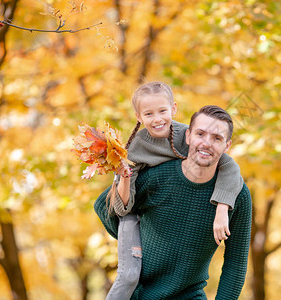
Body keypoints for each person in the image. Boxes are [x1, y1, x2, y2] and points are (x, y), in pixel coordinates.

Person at [103, 82, 244, 300]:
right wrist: (144, 244)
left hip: (191, 295)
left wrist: (222, 206)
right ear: (189, 136)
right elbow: (107, 207)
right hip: (142, 293)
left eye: (217, 138)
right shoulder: (153, 171)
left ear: (227, 146)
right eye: (200, 134)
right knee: (127, 275)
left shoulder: (238, 193)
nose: (206, 143)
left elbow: (235, 264)